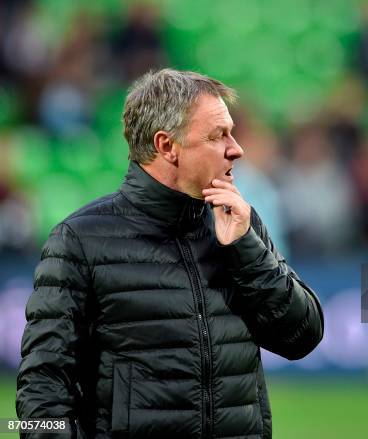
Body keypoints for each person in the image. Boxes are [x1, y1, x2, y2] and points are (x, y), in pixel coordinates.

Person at [15, 69, 324, 438]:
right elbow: (42, 386)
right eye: (217, 135)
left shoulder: (240, 224)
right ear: (166, 146)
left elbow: (302, 338)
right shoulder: (80, 239)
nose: (236, 148)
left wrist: (247, 251)